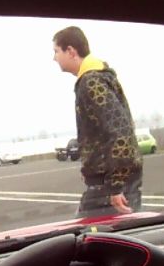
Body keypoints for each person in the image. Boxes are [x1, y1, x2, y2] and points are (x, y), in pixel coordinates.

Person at [52, 26, 142, 217]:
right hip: (108, 181)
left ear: (71, 51)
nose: (54, 58)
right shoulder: (97, 77)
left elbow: (121, 132)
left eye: (56, 51)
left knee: (89, 232)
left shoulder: (92, 82)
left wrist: (115, 186)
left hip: (110, 186)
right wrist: (90, 165)